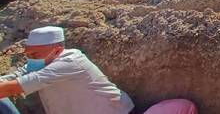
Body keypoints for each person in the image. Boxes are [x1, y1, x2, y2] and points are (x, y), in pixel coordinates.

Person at [0, 26, 134, 114]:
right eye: (28, 55)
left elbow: (13, 87)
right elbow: (14, 78)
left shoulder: (70, 62)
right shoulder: (42, 61)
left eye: (34, 55)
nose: (30, 59)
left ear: (57, 50)